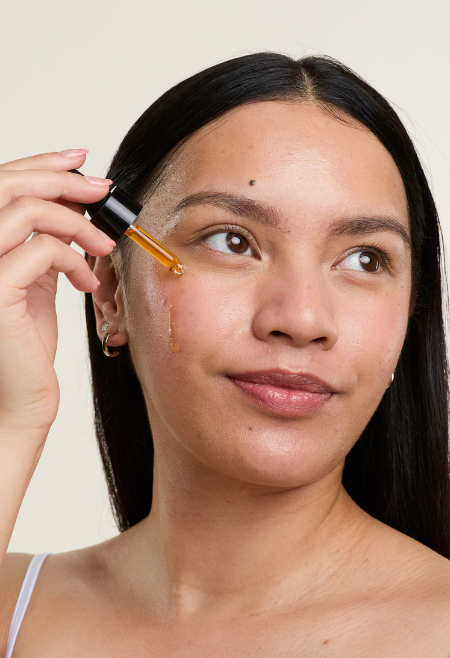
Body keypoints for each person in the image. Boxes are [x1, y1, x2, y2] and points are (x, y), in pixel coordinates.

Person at [1, 52, 450, 656]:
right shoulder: (13, 611)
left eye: (365, 259)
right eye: (232, 241)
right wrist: (11, 421)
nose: (302, 320)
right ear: (111, 294)